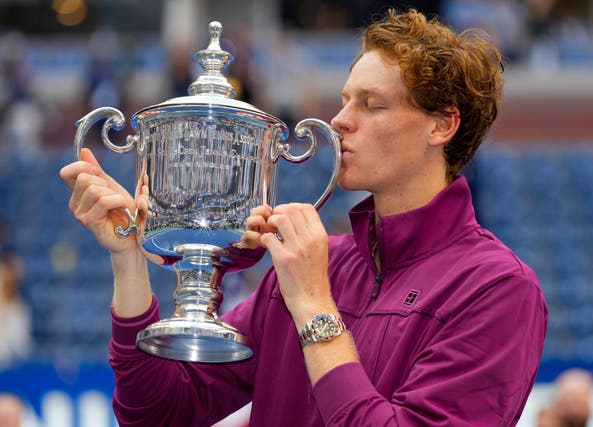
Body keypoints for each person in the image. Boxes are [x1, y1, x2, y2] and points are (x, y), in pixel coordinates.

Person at [60, 8, 548, 426]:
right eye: (343, 101)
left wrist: (315, 306)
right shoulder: (315, 266)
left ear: (442, 124)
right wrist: (129, 261)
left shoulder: (498, 288)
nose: (340, 121)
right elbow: (159, 413)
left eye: (372, 105)